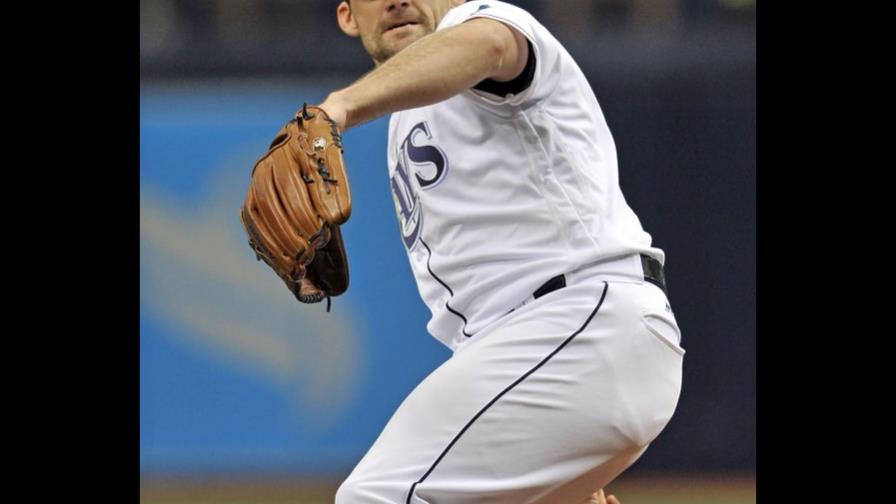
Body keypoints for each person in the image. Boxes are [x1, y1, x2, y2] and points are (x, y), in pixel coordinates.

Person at [318, 1, 684, 502]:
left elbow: (489, 45)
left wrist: (338, 107)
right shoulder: (406, 117)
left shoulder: (484, 24)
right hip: (544, 355)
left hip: (581, 320)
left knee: (375, 497)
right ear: (347, 17)